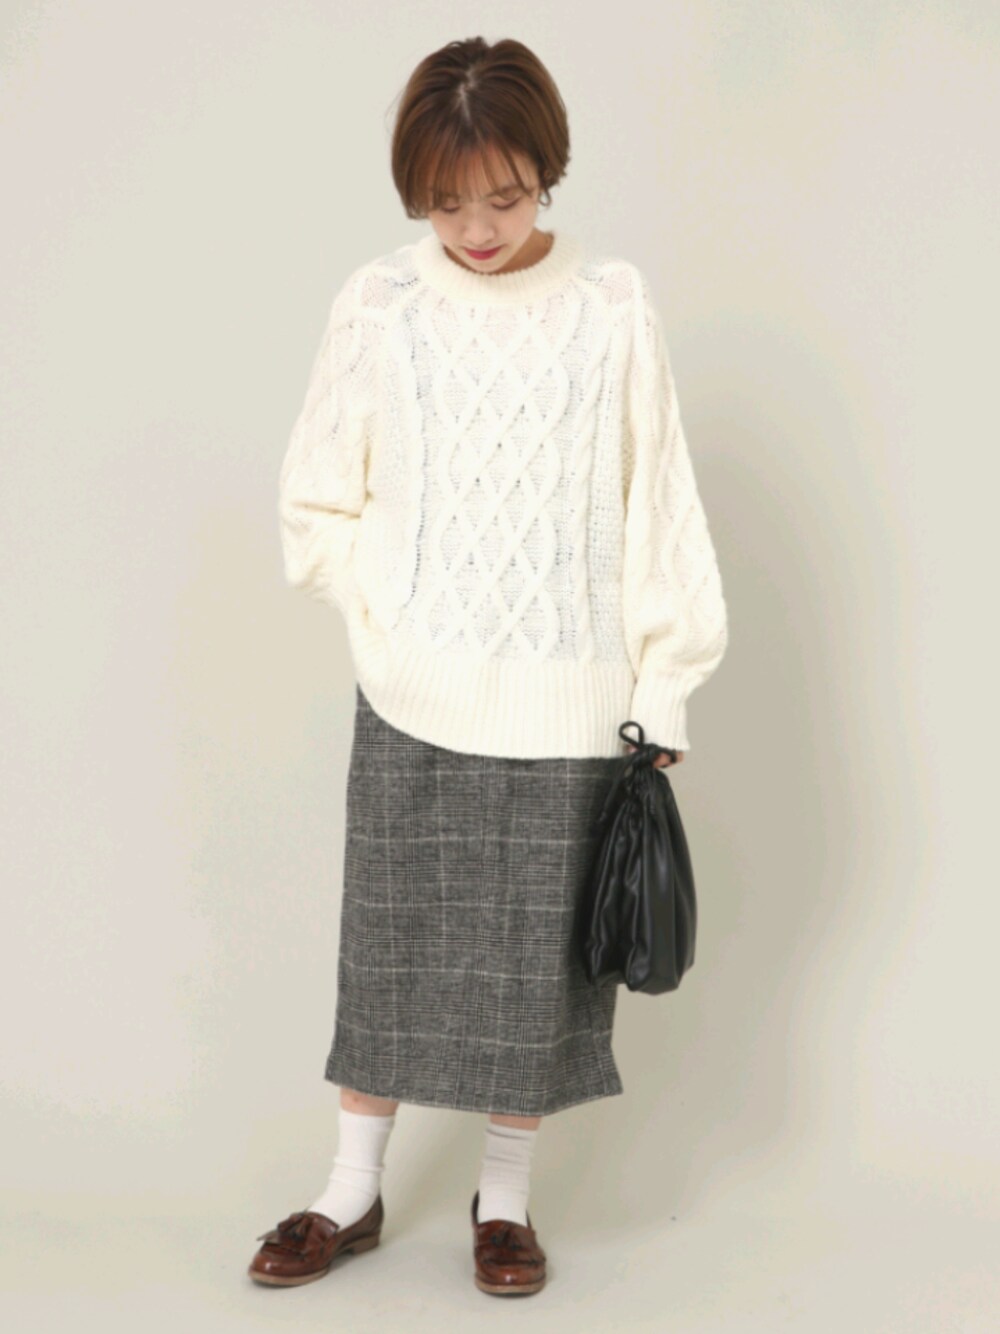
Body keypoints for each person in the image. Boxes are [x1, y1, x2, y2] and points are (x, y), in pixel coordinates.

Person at [247, 34, 728, 1298]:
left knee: (533, 978)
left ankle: (502, 1202)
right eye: (446, 203)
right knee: (389, 954)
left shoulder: (610, 305)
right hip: (414, 693)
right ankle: (348, 1191)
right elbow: (316, 498)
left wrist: (663, 681)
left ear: (546, 172)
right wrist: (385, 616)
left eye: (504, 198)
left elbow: (656, 504)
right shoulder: (380, 303)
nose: (475, 229)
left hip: (571, 701)